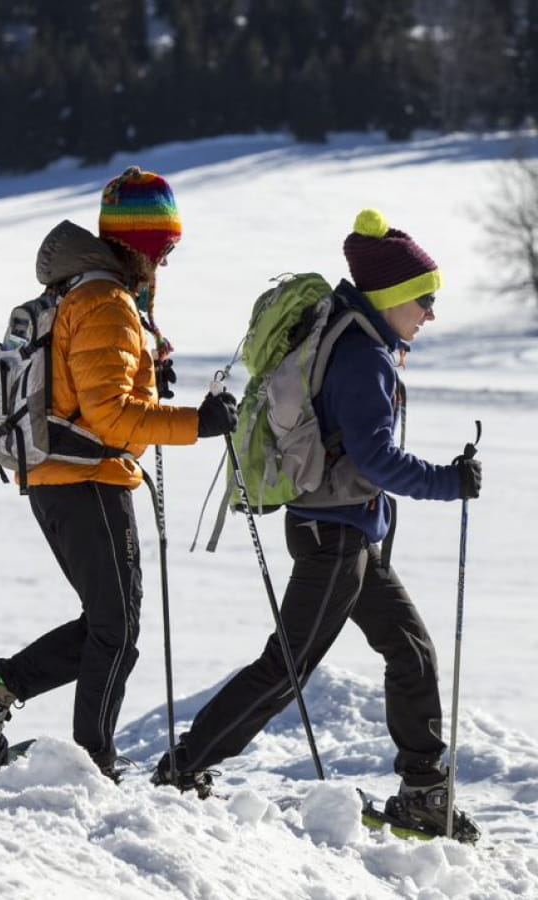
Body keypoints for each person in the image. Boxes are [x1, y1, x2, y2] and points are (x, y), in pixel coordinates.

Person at [151, 209, 482, 841]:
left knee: (410, 652)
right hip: (334, 536)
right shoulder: (363, 357)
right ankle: (183, 769)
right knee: (287, 668)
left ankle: (422, 792)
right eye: (423, 300)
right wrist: (450, 481)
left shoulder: (359, 340)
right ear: (390, 297)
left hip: (347, 532)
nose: (430, 314)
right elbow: (375, 458)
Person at [0, 167, 240, 779]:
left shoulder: (83, 291)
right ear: (144, 245)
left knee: (107, 625)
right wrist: (198, 422)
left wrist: (150, 383)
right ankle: (92, 761)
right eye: (166, 247)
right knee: (118, 630)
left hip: (63, 478)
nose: (168, 261)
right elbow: (112, 418)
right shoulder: (105, 301)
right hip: (86, 479)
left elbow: (95, 394)